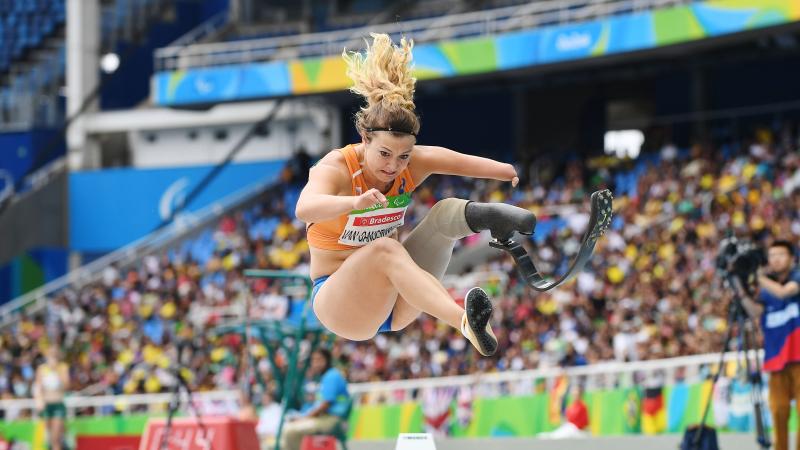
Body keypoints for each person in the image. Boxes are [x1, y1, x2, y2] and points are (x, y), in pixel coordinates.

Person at [295, 33, 536, 356]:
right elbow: (304, 208)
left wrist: (505, 170)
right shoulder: (337, 167)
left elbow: (458, 161)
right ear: (364, 138)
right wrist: (355, 202)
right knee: (383, 249)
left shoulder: (410, 163)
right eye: (384, 154)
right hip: (341, 305)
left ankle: (494, 219)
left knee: (444, 214)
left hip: (396, 305)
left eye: (403, 156)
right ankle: (466, 322)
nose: (393, 166)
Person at [744, 240, 800, 450]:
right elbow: (754, 311)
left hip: (799, 357)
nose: (775, 259)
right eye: (772, 255)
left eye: (780, 254)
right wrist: (739, 287)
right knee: (778, 412)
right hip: (776, 360)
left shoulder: (796, 277)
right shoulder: (765, 292)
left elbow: (785, 292)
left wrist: (759, 277)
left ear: (792, 258)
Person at [280, 349, 350, 450]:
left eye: (319, 359)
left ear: (327, 360)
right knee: (289, 427)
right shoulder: (325, 377)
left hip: (332, 420)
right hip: (325, 418)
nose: (316, 363)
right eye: (313, 360)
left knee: (290, 431)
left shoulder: (331, 376)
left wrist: (304, 418)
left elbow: (325, 405)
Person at [33, 347, 69, 450]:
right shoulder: (41, 369)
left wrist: (55, 370)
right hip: (46, 405)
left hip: (57, 404)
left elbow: (66, 386)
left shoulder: (63, 367)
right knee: (49, 438)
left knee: (55, 438)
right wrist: (39, 401)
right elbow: (38, 387)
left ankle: (62, 440)